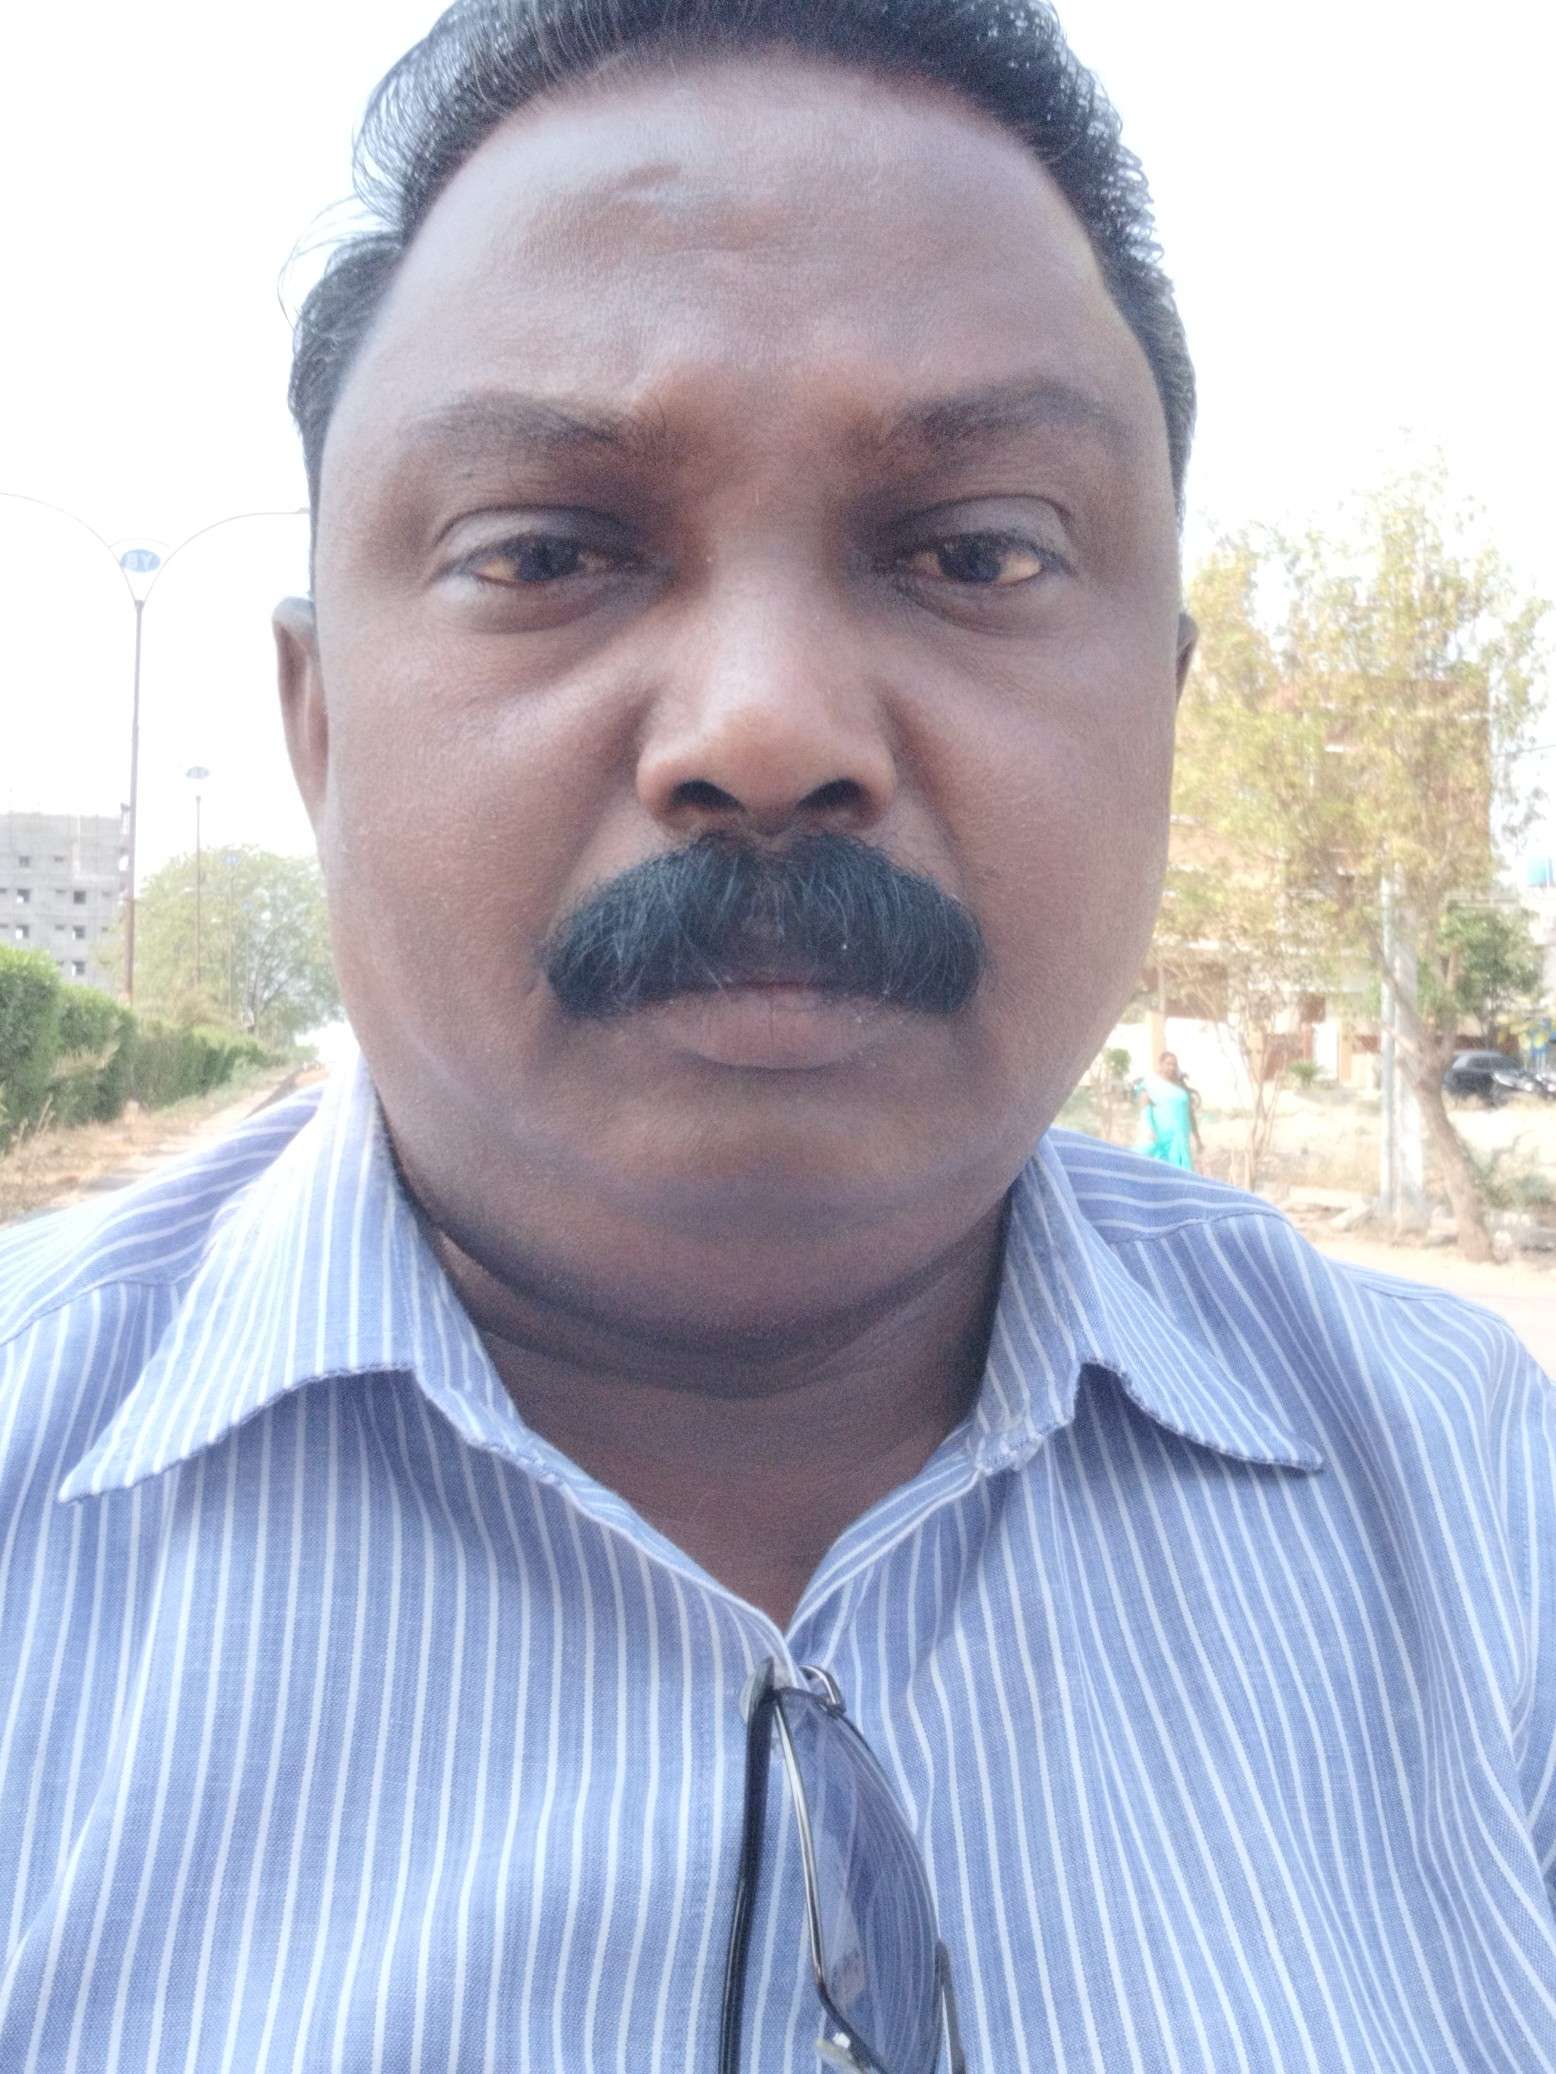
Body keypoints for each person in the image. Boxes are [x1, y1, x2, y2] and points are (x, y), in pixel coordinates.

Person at [2, 2, 1554, 2066]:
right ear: (317, 727)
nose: (766, 727)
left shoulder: (1481, 1503)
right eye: (545, 551)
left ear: (1163, 721)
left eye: (975, 550)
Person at [1136, 1049, 1203, 1169]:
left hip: (1181, 1139)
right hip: (1161, 1138)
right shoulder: (1151, 1083)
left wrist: (1197, 1138)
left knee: (1183, 1172)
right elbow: (1144, 1107)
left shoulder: (1181, 1087)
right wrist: (1148, 1128)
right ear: (1161, 1065)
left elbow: (1190, 1114)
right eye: (1168, 1064)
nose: (1171, 1067)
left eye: (1174, 1064)